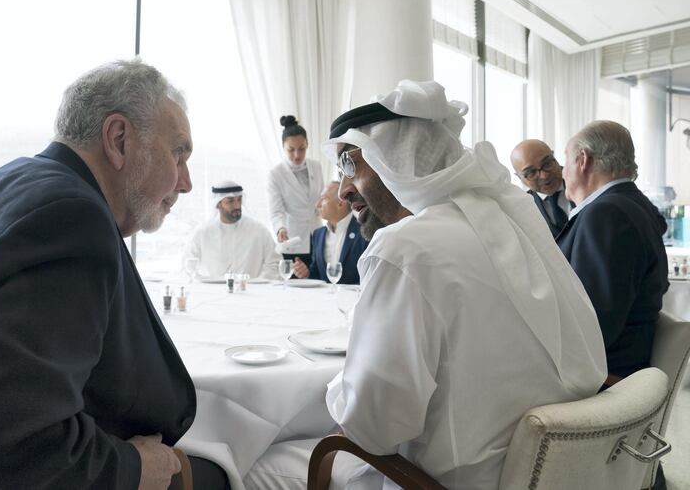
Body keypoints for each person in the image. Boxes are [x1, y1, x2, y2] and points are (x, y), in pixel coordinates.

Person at [245, 80, 606, 490]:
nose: (343, 191)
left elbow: (372, 429)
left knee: (257, 463)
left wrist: (341, 384)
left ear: (396, 161)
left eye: (349, 166)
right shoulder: (512, 216)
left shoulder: (404, 248)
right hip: (552, 473)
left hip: (443, 481)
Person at [0, 60, 229, 490]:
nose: (185, 182)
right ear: (119, 139)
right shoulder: (68, 217)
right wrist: (133, 468)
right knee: (226, 471)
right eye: (178, 153)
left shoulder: (12, 183)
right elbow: (2, 444)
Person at [558, 120, 669, 379]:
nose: (562, 172)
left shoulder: (606, 214)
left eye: (565, 160)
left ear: (583, 159)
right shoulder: (633, 203)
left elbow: (594, 321)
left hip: (605, 374)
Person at [183, 181, 281, 280]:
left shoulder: (259, 230)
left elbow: (274, 264)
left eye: (239, 200)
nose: (237, 206)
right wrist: (205, 284)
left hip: (252, 291)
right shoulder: (202, 233)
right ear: (218, 204)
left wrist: (257, 284)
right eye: (230, 201)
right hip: (214, 292)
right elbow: (188, 265)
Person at [266, 115, 324, 268]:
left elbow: (321, 198)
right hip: (293, 239)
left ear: (307, 144)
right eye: (291, 150)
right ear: (283, 147)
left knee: (318, 282)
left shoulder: (316, 167)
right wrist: (280, 228)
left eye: (301, 149)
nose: (297, 155)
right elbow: (276, 211)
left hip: (317, 235)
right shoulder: (275, 174)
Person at [291, 181, 368, 285]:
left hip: (354, 299)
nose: (317, 205)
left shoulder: (364, 231)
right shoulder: (318, 235)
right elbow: (316, 274)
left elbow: (369, 275)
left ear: (341, 203)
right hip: (326, 298)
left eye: (323, 199)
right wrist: (306, 273)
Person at [510, 139, 572, 238]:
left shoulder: (584, 180)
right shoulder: (522, 210)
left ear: (553, 156)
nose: (544, 176)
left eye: (547, 164)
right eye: (531, 173)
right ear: (519, 177)